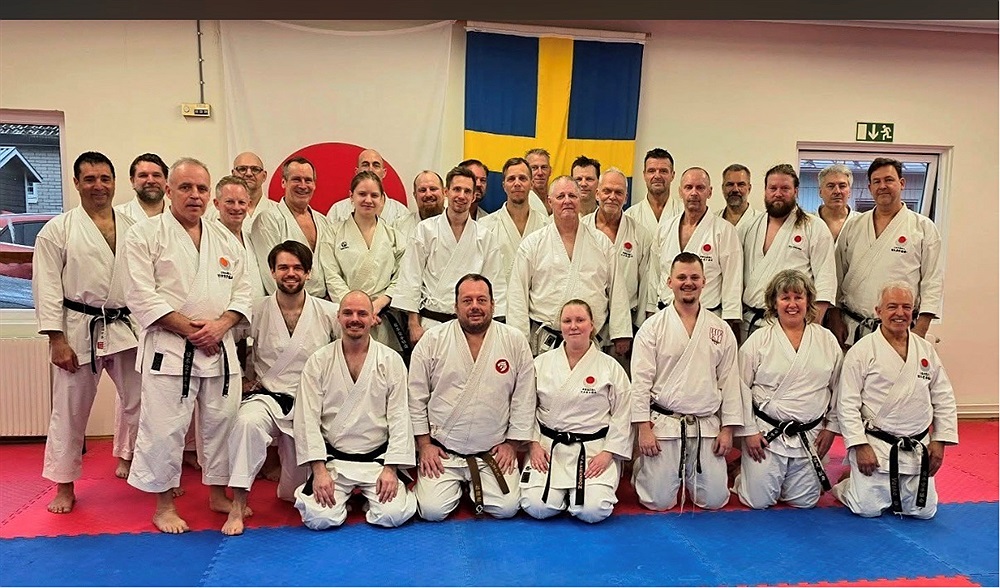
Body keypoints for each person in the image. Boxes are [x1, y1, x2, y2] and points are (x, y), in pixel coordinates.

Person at [124, 157, 253, 533]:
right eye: (185, 187)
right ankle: (164, 506)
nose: (194, 195)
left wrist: (221, 326)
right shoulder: (145, 235)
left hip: (219, 348)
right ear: (169, 191)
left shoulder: (225, 238)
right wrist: (192, 331)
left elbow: (244, 291)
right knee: (165, 429)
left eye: (201, 188)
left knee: (221, 425)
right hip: (170, 349)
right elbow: (140, 294)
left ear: (209, 194)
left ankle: (217, 493)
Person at [32, 151, 142, 513]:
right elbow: (46, 286)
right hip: (79, 328)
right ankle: (64, 486)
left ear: (115, 183)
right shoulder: (58, 230)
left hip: (127, 327)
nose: (99, 186)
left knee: (145, 404)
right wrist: (56, 339)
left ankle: (152, 473)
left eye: (105, 179)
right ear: (76, 183)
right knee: (70, 411)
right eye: (90, 179)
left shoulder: (134, 227)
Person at [221, 241, 340, 535]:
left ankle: (292, 484)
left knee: (291, 493)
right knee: (247, 423)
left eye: (298, 268)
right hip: (267, 397)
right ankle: (237, 505)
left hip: (308, 403)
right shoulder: (256, 308)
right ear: (272, 272)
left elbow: (347, 350)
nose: (291, 273)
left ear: (308, 273)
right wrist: (240, 379)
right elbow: (228, 340)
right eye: (283, 267)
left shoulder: (328, 311)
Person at [408, 274, 535, 521]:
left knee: (507, 508)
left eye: (481, 300)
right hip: (444, 452)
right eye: (467, 301)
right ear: (455, 306)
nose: (475, 306)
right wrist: (424, 446)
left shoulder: (514, 340)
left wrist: (512, 444)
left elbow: (524, 397)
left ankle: (474, 487)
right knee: (432, 511)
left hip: (492, 452)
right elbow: (416, 397)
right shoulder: (432, 340)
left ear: (493, 305)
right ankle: (456, 485)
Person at [832, 282, 958, 519]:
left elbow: (944, 397)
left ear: (913, 311)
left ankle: (873, 483)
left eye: (906, 307)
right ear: (878, 311)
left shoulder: (925, 350)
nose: (900, 313)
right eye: (892, 307)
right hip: (877, 445)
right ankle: (848, 484)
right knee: (867, 509)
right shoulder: (862, 350)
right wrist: (859, 445)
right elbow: (847, 403)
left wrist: (940, 441)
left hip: (917, 444)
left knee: (924, 511)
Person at [292, 290, 416, 529]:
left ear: (373, 318)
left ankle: (368, 500)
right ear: (338, 317)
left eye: (362, 313)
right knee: (320, 519)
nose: (355, 319)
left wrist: (391, 468)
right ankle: (342, 499)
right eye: (348, 313)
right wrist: (319, 470)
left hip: (377, 461)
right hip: (334, 462)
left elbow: (400, 417)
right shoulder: (319, 361)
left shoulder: (390, 360)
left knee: (393, 515)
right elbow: (307, 418)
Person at [630, 252, 742, 511]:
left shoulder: (720, 329)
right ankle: (642, 468)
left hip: (705, 425)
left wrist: (727, 430)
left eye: (694, 277)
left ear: (704, 282)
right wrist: (643, 429)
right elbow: (640, 382)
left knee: (714, 500)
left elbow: (730, 383)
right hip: (665, 425)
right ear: (669, 282)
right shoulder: (652, 327)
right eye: (681, 277)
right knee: (657, 502)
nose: (688, 283)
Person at [733, 269, 843, 510]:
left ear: (808, 301)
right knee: (758, 501)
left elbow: (839, 389)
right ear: (774, 303)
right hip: (767, 435)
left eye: (798, 297)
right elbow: (739, 388)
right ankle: (744, 474)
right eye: (785, 298)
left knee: (804, 502)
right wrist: (749, 431)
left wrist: (831, 428)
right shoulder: (759, 340)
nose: (792, 304)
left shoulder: (827, 340)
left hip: (809, 435)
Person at [519, 300, 632, 523]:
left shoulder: (610, 367)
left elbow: (623, 413)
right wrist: (533, 445)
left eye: (580, 320)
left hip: (592, 451)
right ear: (560, 326)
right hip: (548, 449)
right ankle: (564, 497)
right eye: (567, 321)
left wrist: (608, 453)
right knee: (537, 507)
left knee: (593, 511)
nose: (573, 326)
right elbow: (525, 408)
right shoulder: (540, 363)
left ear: (592, 325)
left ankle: (576, 497)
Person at [507, 176, 632, 358]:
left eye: (572, 196)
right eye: (560, 196)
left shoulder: (601, 243)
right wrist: (518, 338)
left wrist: (621, 332)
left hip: (590, 340)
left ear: (580, 199)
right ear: (550, 202)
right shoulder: (533, 244)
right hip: (546, 341)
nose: (567, 201)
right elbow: (517, 293)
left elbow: (617, 289)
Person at [831, 158, 943, 348]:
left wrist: (921, 329)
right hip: (852, 326)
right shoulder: (854, 225)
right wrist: (835, 317)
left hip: (900, 328)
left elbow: (933, 281)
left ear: (902, 183)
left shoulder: (923, 228)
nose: (882, 186)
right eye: (877, 181)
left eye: (889, 180)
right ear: (870, 187)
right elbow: (836, 275)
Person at [389, 166, 506, 347]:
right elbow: (411, 277)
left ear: (473, 196)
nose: (461, 196)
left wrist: (492, 326)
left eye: (467, 191)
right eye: (457, 189)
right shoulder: (425, 230)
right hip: (431, 322)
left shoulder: (485, 236)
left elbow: (494, 283)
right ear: (446, 192)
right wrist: (413, 323)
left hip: (471, 325)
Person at [742, 164, 836, 340]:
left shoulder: (813, 227)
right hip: (749, 322)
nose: (778, 193)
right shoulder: (749, 227)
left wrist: (812, 326)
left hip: (793, 324)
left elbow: (826, 280)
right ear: (765, 191)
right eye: (773, 188)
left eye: (785, 188)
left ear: (796, 191)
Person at [319, 171, 407, 354]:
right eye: (362, 194)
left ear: (382, 199)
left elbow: (402, 276)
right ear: (351, 196)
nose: (368, 200)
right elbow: (331, 276)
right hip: (347, 316)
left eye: (374, 195)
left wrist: (378, 305)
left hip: (381, 316)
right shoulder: (333, 233)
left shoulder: (394, 236)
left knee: (383, 364)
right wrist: (356, 309)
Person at [650, 167, 743, 342]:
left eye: (700, 187)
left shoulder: (724, 230)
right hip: (666, 316)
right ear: (680, 192)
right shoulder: (665, 228)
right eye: (688, 187)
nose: (694, 193)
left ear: (710, 192)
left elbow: (733, 281)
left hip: (707, 319)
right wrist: (650, 310)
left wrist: (730, 321)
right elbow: (654, 275)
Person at [581, 167, 652, 365]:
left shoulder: (640, 234)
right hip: (588, 323)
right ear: (597, 194)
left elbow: (645, 286)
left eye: (618, 192)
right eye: (607, 191)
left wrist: (635, 329)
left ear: (626, 197)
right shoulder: (581, 229)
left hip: (626, 324)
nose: (612, 197)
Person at [251, 156, 330, 299]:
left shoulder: (323, 221)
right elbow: (270, 274)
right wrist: (294, 305)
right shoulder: (268, 220)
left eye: (308, 180)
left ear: (314, 184)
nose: (303, 186)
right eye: (296, 179)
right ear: (283, 182)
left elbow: (331, 269)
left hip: (323, 304)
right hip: (287, 303)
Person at [479, 157, 549, 284]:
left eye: (522, 178)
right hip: (500, 295)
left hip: (536, 295)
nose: (517, 183)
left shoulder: (547, 226)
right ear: (504, 186)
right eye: (511, 179)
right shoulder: (485, 226)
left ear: (532, 184)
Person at [212, 176, 266, 300]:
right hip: (227, 309)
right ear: (216, 204)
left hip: (257, 307)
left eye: (241, 202)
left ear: (248, 204)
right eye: (230, 202)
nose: (236, 208)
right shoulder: (209, 239)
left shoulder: (250, 238)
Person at [327, 148, 410, 225]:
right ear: (357, 172)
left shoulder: (400, 213)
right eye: (365, 165)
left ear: (384, 173)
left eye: (376, 165)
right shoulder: (338, 211)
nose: (370, 169)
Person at [624, 148, 683, 237]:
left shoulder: (683, 212)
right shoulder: (630, 216)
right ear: (644, 175)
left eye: (663, 171)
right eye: (651, 171)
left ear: (672, 175)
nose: (657, 176)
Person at [114, 153, 170, 222]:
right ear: (132, 181)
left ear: (166, 180)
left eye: (156, 175)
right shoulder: (117, 216)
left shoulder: (178, 216)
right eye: (143, 175)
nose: (151, 181)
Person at [393, 170, 445, 242]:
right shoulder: (400, 226)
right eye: (422, 190)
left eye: (433, 189)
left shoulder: (456, 225)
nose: (428, 194)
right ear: (415, 195)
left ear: (444, 192)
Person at [230, 151, 277, 228]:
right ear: (233, 174)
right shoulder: (217, 213)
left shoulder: (278, 212)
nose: (249, 174)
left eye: (255, 169)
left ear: (264, 176)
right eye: (242, 169)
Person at [815, 163, 860, 243]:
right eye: (830, 186)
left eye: (842, 186)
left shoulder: (862, 222)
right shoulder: (807, 222)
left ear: (849, 192)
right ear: (820, 192)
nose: (837, 191)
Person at [717, 164, 760, 242]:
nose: (735, 189)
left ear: (749, 188)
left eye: (741, 185)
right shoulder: (713, 221)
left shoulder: (760, 221)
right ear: (723, 188)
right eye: (730, 184)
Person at [525, 148, 553, 215]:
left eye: (544, 167)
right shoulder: (522, 202)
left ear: (550, 171)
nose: (540, 173)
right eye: (534, 168)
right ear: (526, 171)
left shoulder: (557, 198)